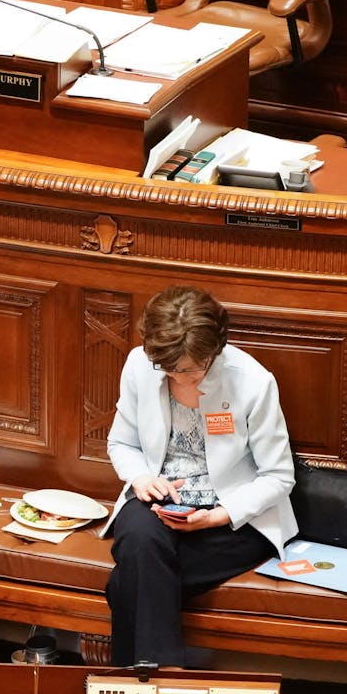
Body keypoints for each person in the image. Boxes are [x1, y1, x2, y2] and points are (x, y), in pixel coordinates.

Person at [104, 286, 296, 667]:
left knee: (131, 578)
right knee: (140, 537)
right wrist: (141, 478)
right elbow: (121, 443)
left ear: (215, 350)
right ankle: (168, 679)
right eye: (170, 369)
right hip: (159, 500)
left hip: (232, 518)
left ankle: (137, 683)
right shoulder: (140, 364)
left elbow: (278, 476)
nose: (181, 377)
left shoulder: (253, 381)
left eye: (191, 368)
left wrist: (217, 515)